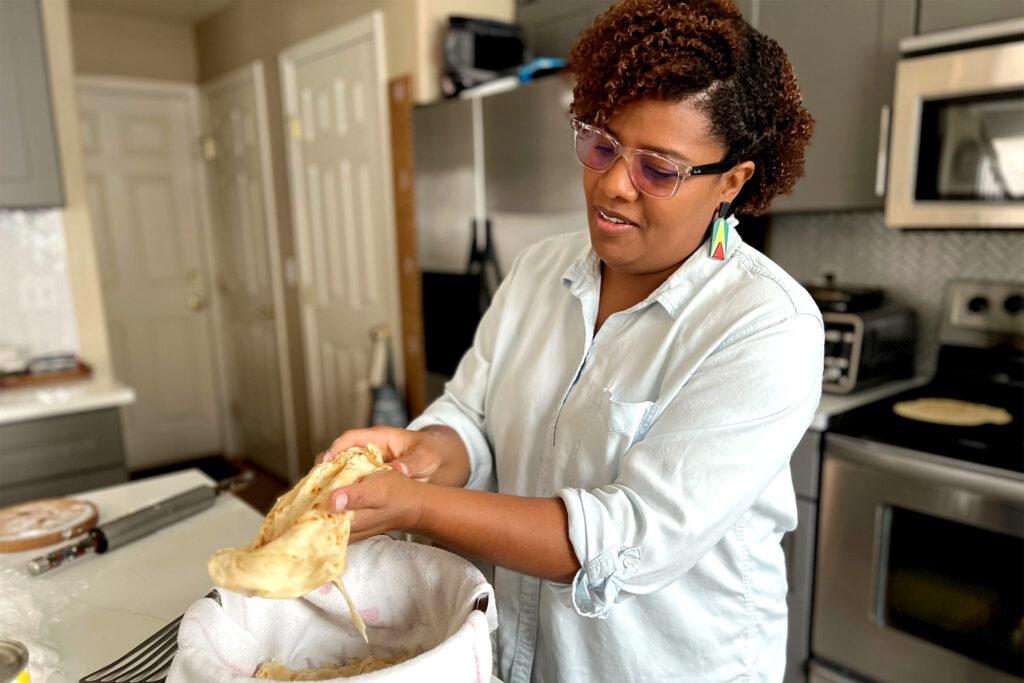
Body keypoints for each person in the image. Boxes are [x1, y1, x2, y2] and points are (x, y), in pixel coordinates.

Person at [319, 0, 821, 680]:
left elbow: (625, 538)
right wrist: (421, 455)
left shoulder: (764, 325)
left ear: (731, 182)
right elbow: (473, 418)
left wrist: (419, 505)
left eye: (658, 168)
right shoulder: (537, 270)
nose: (613, 183)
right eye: (601, 143)